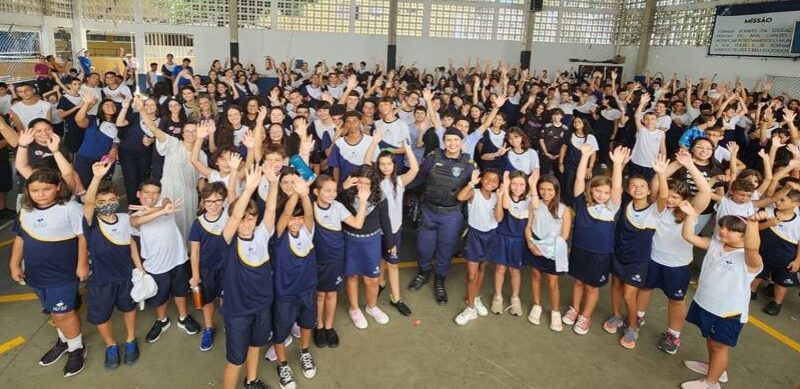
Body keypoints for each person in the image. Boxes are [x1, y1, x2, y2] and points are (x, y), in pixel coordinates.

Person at [10, 169, 88, 377]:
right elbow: (20, 238)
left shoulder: (70, 208)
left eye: (46, 189)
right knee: (54, 311)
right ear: (28, 190)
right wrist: (14, 264)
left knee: (63, 313)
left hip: (62, 273)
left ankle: (77, 348)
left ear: (58, 188)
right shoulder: (25, 210)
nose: (40, 194)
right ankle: (64, 341)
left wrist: (82, 265)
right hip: (35, 274)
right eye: (35, 190)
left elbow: (83, 237)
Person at [677, 206, 764, 389]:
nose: (723, 231)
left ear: (745, 235)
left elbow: (752, 246)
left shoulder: (750, 259)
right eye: (722, 226)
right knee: (711, 339)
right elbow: (688, 237)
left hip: (728, 311)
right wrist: (692, 216)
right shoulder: (715, 244)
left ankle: (711, 383)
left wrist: (753, 224)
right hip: (707, 303)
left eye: (732, 229)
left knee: (719, 346)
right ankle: (716, 369)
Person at [638, 149, 713, 355]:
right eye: (668, 195)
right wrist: (671, 167)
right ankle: (637, 317)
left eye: (676, 197)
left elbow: (705, 192)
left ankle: (673, 335)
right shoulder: (659, 206)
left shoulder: (691, 211)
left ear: (685, 199)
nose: (670, 199)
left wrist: (690, 165)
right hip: (653, 259)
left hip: (677, 265)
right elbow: (657, 183)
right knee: (644, 289)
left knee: (676, 300)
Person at [218, 165, 277, 389]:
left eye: (251, 218)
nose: (247, 223)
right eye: (243, 219)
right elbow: (234, 216)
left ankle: (251, 381)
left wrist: (272, 183)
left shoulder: (262, 234)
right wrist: (249, 189)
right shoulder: (229, 241)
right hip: (238, 311)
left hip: (262, 305)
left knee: (256, 344)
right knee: (236, 359)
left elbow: (270, 210)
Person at [82, 161, 143, 368]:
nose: (107, 203)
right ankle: (111, 346)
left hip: (125, 276)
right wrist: (97, 177)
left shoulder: (125, 218)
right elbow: (88, 204)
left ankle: (130, 340)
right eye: (101, 201)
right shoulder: (91, 223)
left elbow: (131, 244)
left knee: (129, 309)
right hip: (101, 281)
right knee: (101, 317)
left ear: (117, 198)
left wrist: (139, 269)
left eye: (111, 199)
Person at [562, 145, 625, 335]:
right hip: (580, 249)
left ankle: (586, 315)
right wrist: (585, 156)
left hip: (600, 253)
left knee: (591, 286)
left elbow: (617, 187)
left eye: (606, 193)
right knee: (578, 282)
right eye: (598, 191)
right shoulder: (581, 202)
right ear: (591, 190)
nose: (602, 195)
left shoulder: (611, 207)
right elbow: (580, 178)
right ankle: (574, 309)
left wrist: (618, 164)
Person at [407, 128, 475, 305]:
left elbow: (472, 190)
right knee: (424, 248)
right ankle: (423, 272)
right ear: (444, 142)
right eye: (449, 140)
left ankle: (440, 280)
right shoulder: (433, 158)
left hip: (452, 214)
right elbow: (419, 178)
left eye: (456, 140)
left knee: (445, 250)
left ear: (462, 142)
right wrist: (400, 187)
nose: (452, 144)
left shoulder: (468, 164)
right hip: (429, 211)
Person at [130, 179, 201, 343]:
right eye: (147, 192)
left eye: (155, 193)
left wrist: (160, 207)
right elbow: (139, 222)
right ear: (138, 194)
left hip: (179, 259)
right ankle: (162, 321)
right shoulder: (134, 216)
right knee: (159, 297)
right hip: (156, 265)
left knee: (180, 291)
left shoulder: (164, 202)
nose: (151, 196)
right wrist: (159, 211)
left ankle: (183, 317)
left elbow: (167, 203)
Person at [271, 173, 319, 388]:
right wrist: (297, 194)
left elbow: (308, 213)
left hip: (307, 290)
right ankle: (282, 364)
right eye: (292, 218)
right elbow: (288, 212)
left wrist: (305, 195)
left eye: (299, 218)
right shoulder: (278, 235)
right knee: (280, 330)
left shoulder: (307, 231)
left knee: (307, 323)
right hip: (285, 293)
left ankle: (305, 351)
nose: (296, 221)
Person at [311, 175, 369, 348]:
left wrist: (363, 201)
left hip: (335, 256)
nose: (332, 194)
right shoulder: (310, 207)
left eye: (334, 191)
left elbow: (357, 224)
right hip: (316, 258)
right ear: (316, 192)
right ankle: (318, 325)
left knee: (332, 293)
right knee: (320, 294)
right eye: (327, 190)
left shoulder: (338, 207)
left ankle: (329, 326)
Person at [364, 137, 420, 316]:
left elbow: (415, 168)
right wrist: (374, 143)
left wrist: (407, 148)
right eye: (382, 164)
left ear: (394, 165)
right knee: (380, 260)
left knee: (393, 265)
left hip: (393, 231)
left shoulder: (400, 181)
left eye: (389, 164)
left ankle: (396, 297)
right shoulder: (374, 181)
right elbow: (365, 162)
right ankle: (380, 282)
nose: (385, 167)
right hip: (376, 230)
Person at [188, 175, 236, 352]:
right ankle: (209, 328)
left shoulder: (228, 216)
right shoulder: (197, 223)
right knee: (207, 301)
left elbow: (234, 199)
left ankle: (228, 324)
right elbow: (195, 252)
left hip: (228, 267)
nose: (213, 205)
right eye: (208, 201)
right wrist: (195, 275)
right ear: (202, 202)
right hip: (206, 269)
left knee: (226, 298)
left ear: (223, 201)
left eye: (217, 201)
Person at [524, 175, 572, 330]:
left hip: (553, 250)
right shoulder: (534, 205)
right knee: (536, 276)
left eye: (550, 189)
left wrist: (549, 249)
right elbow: (528, 226)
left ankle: (555, 312)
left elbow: (565, 234)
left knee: (552, 283)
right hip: (536, 246)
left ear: (556, 190)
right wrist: (531, 245)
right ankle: (537, 305)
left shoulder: (564, 209)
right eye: (542, 189)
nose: (546, 192)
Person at [454, 169, 501, 325]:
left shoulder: (496, 197)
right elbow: (460, 197)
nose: (490, 183)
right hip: (475, 236)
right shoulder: (474, 193)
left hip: (491, 235)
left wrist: (501, 196)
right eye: (487, 179)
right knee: (472, 275)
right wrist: (471, 183)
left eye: (494, 181)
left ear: (498, 184)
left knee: (482, 268)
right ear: (482, 179)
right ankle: (471, 308)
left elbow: (499, 218)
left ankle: (476, 296)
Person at [751, 188, 800, 316]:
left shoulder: (798, 222)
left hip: (784, 259)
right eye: (778, 198)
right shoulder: (766, 212)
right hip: (762, 253)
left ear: (796, 204)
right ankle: (751, 291)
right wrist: (769, 223)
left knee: (781, 282)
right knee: (757, 274)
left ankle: (777, 303)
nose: (777, 201)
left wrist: (797, 260)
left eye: (783, 200)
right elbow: (753, 228)